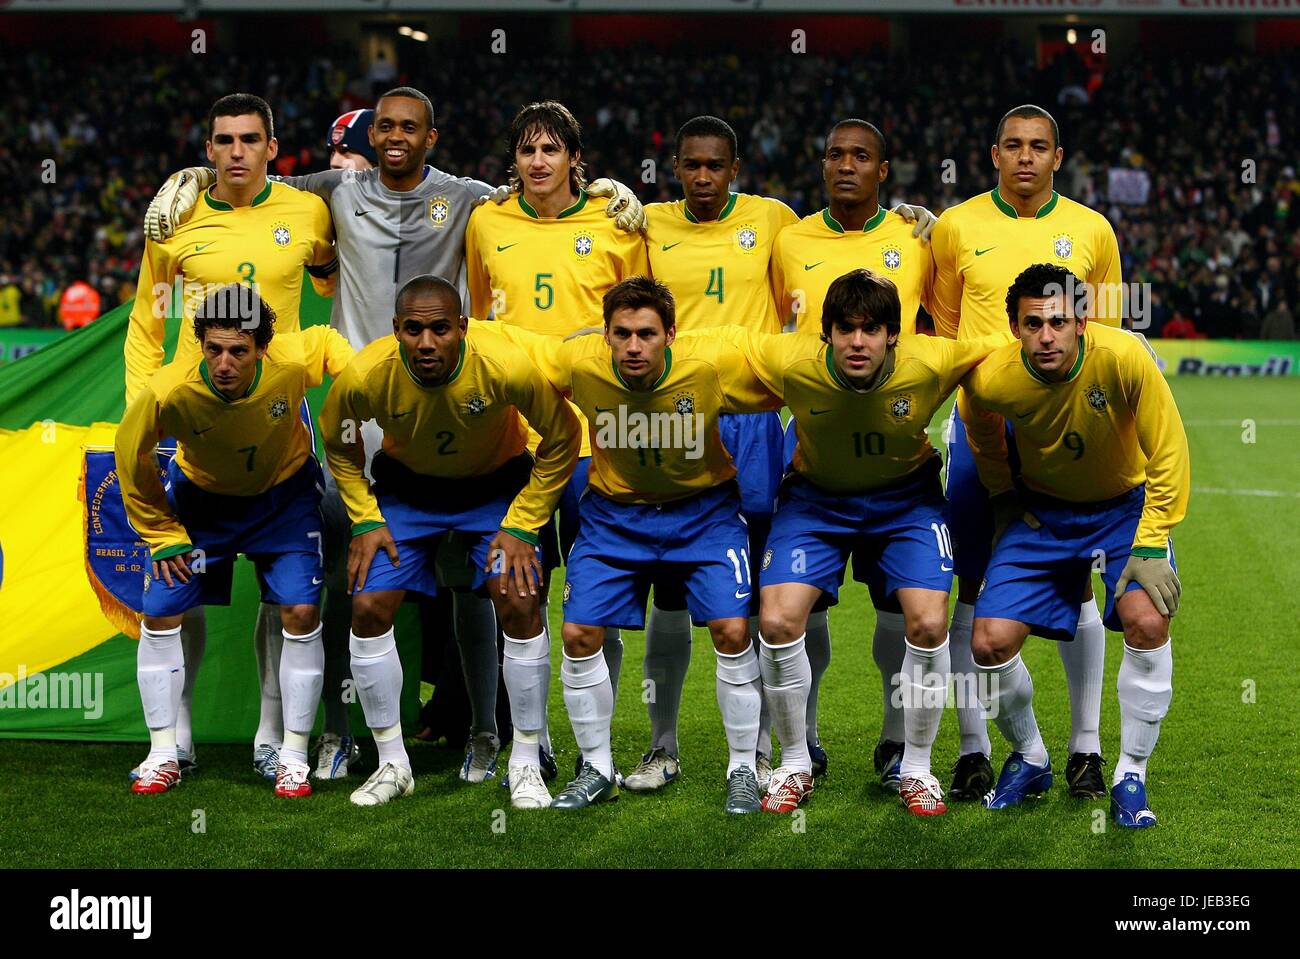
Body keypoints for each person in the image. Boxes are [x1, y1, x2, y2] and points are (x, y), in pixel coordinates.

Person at [143, 87, 643, 784]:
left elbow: (538, 185)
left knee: (485, 583)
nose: (396, 137)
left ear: (431, 137)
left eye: (410, 127)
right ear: (371, 135)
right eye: (385, 127)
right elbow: (255, 176)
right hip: (362, 405)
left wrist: (608, 186)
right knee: (346, 580)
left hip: (457, 406)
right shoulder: (333, 192)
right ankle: (340, 734)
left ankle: (485, 729)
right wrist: (188, 179)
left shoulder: (471, 199)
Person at [694, 270, 997, 814]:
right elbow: (720, 344)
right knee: (779, 620)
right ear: (826, 333)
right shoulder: (793, 362)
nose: (858, 343)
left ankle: (917, 768)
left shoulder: (930, 362)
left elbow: (1003, 347)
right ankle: (793, 763)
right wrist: (593, 342)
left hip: (906, 503)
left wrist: (1116, 341)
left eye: (872, 330)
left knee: (929, 623)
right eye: (846, 330)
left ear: (893, 336)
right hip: (816, 501)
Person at [494, 276, 783, 813]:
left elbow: (790, 371)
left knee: (733, 629)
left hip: (705, 514)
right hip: (614, 517)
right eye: (622, 333)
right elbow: (508, 349)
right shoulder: (579, 363)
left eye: (646, 334)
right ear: (603, 334)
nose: (633, 346)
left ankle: (743, 765)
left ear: (670, 334)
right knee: (580, 634)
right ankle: (598, 767)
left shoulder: (712, 366)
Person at [125, 93, 337, 782]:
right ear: (208, 148)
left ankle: (273, 735)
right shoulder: (176, 218)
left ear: (274, 148)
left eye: (251, 139)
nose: (238, 150)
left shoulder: (307, 211)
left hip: (277, 414)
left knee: (288, 599)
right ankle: (174, 737)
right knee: (178, 590)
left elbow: (333, 285)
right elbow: (145, 324)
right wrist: (144, 417)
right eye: (224, 140)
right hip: (194, 425)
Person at [320, 274, 581, 809]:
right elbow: (339, 444)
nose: (426, 342)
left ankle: (526, 759)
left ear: (462, 327)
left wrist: (522, 522)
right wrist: (366, 518)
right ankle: (394, 763)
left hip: (496, 487)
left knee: (520, 599)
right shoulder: (367, 375)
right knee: (367, 606)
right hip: (409, 491)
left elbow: (561, 438)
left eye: (440, 328)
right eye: (413, 329)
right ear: (396, 329)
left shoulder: (505, 364)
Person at [929, 104, 1123, 802]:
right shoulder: (955, 228)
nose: (1025, 157)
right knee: (971, 589)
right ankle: (976, 747)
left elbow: (1104, 334)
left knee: (1078, 588)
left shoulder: (1093, 230)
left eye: (1038, 146)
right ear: (993, 154)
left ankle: (1085, 749)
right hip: (978, 432)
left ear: (1058, 157)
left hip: (1064, 432)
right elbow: (947, 335)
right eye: (1013, 145)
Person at [961, 263, 1187, 828]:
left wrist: (1153, 542)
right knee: (987, 644)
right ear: (1014, 328)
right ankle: (1031, 755)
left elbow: (1169, 453)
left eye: (1058, 321)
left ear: (1082, 320)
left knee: (1148, 621)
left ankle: (1130, 774)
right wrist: (1001, 494)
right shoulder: (995, 378)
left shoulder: (1125, 358)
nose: (1046, 335)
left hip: (1124, 511)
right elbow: (976, 418)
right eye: (1032, 323)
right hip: (1043, 515)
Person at [464, 100, 650, 781]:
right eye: (525, 150)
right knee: (519, 595)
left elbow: (644, 322)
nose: (537, 162)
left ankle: (594, 742)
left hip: (598, 445)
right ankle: (529, 741)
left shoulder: (618, 223)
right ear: (512, 160)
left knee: (596, 601)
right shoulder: (486, 222)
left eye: (551, 150)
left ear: (576, 158)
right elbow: (480, 317)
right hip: (514, 444)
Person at [115, 283, 353, 796]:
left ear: (262, 349)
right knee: (160, 612)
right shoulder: (167, 391)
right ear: (201, 344)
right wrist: (163, 533)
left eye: (238, 351)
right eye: (214, 349)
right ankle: (163, 753)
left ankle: (290, 755)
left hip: (283, 499)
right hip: (203, 505)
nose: (224, 363)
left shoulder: (290, 360)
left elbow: (330, 341)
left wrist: (358, 378)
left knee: (300, 613)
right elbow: (130, 461)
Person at [767, 118, 938, 789]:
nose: (845, 165)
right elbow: (772, 325)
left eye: (860, 156)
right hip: (816, 448)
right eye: (834, 153)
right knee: (797, 608)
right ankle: (801, 742)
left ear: (883, 169)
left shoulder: (918, 236)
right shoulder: (789, 240)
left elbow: (948, 327)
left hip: (899, 451)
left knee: (904, 609)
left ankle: (899, 743)